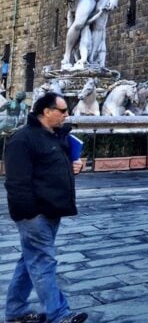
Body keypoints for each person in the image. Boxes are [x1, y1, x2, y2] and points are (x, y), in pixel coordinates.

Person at [4, 92, 88, 323]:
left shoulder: (55, 138)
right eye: (62, 111)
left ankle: (15, 311)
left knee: (29, 261)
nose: (66, 115)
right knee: (42, 262)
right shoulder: (22, 139)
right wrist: (29, 213)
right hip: (35, 214)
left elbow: (54, 170)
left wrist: (75, 167)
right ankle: (59, 315)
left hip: (52, 210)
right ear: (46, 111)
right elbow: (16, 182)